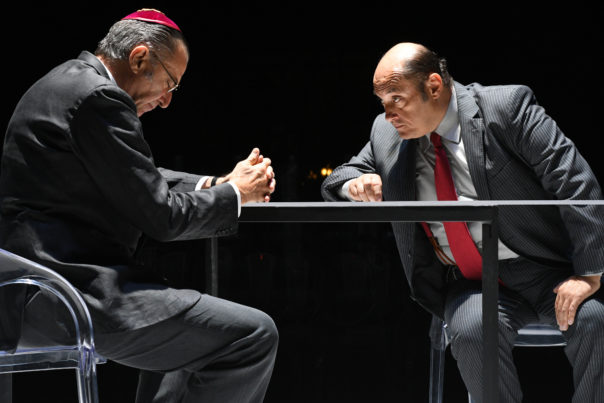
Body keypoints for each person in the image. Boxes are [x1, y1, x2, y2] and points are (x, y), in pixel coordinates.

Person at [0, 9, 278, 403]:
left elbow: (135, 176)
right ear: (139, 57)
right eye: (169, 83)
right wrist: (235, 195)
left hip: (32, 292)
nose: (166, 101)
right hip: (68, 293)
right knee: (253, 335)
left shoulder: (68, 82)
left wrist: (218, 183)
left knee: (191, 341)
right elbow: (162, 217)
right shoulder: (98, 97)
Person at [321, 42, 604, 402]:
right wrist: (355, 184)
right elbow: (337, 178)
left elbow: (576, 182)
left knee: (596, 321)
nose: (388, 113)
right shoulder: (387, 133)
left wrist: (588, 274)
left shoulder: (506, 107)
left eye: (397, 99)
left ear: (433, 86)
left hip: (545, 269)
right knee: (472, 330)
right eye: (382, 102)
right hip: (470, 283)